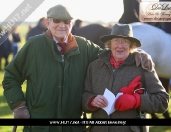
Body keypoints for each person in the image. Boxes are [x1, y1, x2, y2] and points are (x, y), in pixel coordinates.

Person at [2, 5, 154, 132]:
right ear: (48, 22)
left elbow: (111, 54)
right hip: (39, 125)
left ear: (71, 24)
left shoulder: (84, 46)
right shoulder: (33, 46)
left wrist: (136, 54)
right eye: (57, 21)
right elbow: (11, 77)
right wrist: (19, 106)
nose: (62, 25)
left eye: (67, 21)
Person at [82, 23, 169, 132]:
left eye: (125, 41)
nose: (120, 45)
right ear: (110, 43)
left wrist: (136, 101)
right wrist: (91, 100)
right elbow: (83, 96)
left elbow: (162, 101)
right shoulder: (94, 67)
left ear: (131, 45)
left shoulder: (143, 66)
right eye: (116, 41)